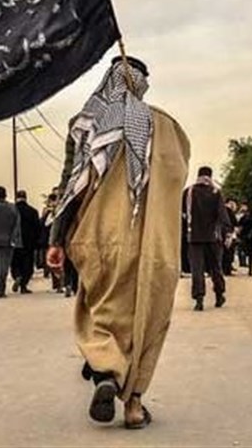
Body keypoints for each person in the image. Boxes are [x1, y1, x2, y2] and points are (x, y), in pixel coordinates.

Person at [46, 55, 190, 429]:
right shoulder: (167, 127)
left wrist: (56, 239)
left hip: (99, 237)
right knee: (148, 317)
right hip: (154, 244)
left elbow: (71, 185)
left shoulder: (85, 123)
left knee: (101, 311)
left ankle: (106, 373)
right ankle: (135, 405)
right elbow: (176, 179)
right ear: (141, 84)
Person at [185, 167, 229, 311]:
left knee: (197, 269)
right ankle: (219, 294)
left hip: (194, 237)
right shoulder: (216, 192)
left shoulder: (189, 192)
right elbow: (222, 215)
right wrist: (227, 232)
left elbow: (182, 213)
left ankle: (199, 299)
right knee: (215, 267)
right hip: (213, 237)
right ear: (210, 176)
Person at [12, 190, 40, 294]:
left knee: (15, 262)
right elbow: (37, 227)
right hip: (29, 242)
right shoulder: (33, 211)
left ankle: (17, 276)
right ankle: (23, 285)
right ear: (26, 197)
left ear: (16, 198)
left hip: (15, 241)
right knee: (27, 263)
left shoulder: (12, 210)